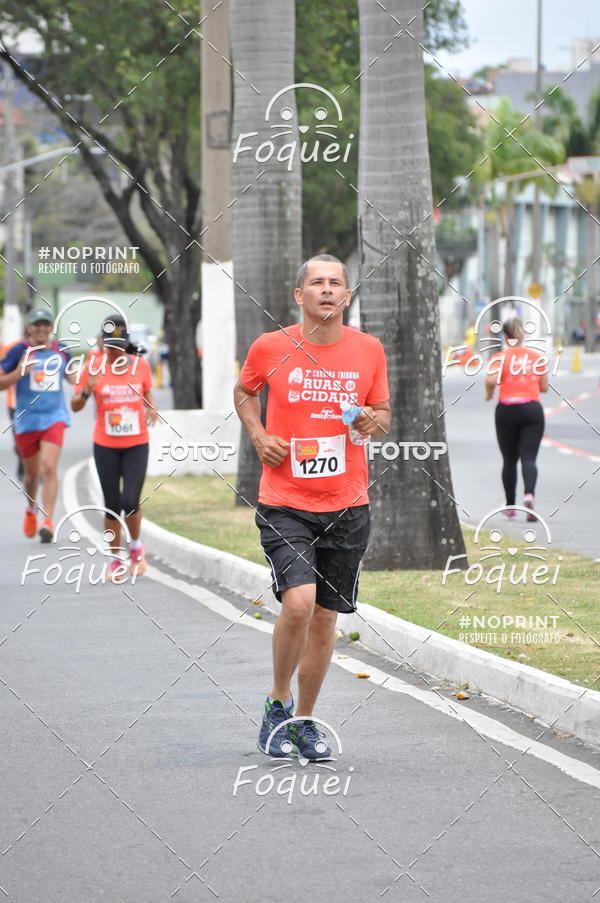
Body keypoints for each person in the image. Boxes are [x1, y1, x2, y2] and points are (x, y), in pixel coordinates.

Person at [234, 254, 391, 760]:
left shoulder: (368, 350)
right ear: (299, 295)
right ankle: (277, 702)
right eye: (317, 282)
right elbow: (244, 390)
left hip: (348, 502)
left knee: (325, 618)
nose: (327, 289)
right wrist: (259, 436)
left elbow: (383, 414)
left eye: (336, 283)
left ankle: (303, 720)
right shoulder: (271, 347)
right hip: (286, 502)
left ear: (347, 295)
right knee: (298, 602)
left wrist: (372, 421)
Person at [71, 315, 158, 580]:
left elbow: (148, 398)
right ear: (101, 343)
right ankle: (115, 559)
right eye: (109, 346)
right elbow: (75, 405)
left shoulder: (140, 366)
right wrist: (87, 390)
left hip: (136, 443)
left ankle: (135, 547)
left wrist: (151, 410)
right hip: (105, 443)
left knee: (130, 501)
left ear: (126, 344)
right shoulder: (92, 366)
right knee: (111, 504)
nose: (113, 351)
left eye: (118, 346)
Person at [0, 309, 74, 541]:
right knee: (32, 476)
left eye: (46, 324)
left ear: (51, 327)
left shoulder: (61, 350)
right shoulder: (18, 351)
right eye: (37, 324)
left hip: (55, 417)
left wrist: (88, 384)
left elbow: (75, 378)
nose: (42, 328)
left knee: (49, 467)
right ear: (29, 327)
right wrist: (19, 373)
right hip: (26, 420)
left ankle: (48, 521)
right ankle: (31, 509)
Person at [485, 317, 548, 521]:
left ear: (505, 336)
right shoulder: (537, 357)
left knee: (509, 460)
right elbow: (544, 387)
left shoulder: (499, 357)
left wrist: (488, 394)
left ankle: (510, 505)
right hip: (531, 409)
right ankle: (529, 495)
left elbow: (491, 380)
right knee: (529, 458)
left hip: (507, 410)